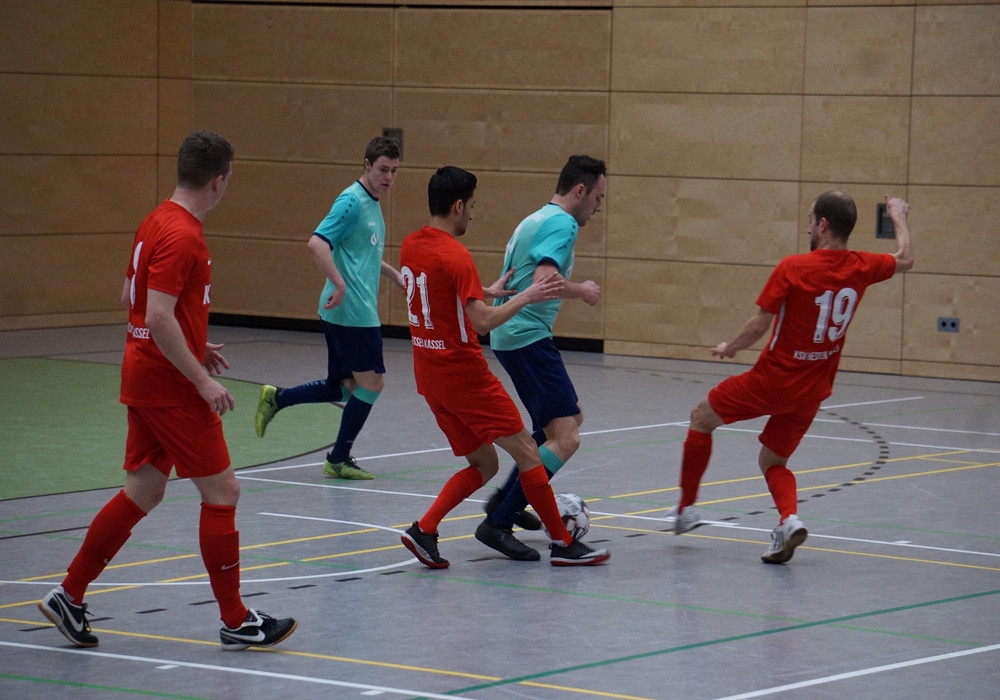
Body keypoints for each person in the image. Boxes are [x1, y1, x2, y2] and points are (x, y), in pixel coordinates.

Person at [37, 130, 297, 650]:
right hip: (170, 387)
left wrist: (193, 342)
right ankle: (236, 619)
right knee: (223, 492)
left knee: (144, 489)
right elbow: (157, 315)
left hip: (144, 374)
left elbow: (131, 299)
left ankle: (69, 594)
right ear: (218, 181)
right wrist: (200, 378)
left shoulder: (155, 221)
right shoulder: (185, 236)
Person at [669, 192, 913, 564]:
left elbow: (759, 325)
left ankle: (686, 509)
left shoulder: (794, 266)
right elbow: (906, 258)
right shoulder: (863, 265)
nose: (807, 227)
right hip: (812, 391)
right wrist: (897, 215)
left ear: (823, 225)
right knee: (773, 461)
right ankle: (788, 520)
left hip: (772, 381)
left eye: (810, 220)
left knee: (702, 418)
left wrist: (730, 347)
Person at [398, 166, 610, 567]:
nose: (473, 214)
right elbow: (482, 322)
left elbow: (438, 289)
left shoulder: (412, 244)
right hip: (465, 377)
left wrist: (483, 290)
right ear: (457, 206)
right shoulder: (456, 254)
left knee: (485, 464)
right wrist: (525, 296)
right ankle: (563, 543)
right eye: (472, 206)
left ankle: (423, 529)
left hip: (429, 376)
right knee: (529, 453)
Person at [476, 155, 607, 560]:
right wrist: (582, 290)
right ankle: (499, 521)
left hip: (513, 334)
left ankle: (506, 499)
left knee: (570, 418)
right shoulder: (563, 223)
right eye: (598, 198)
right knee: (566, 437)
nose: (599, 207)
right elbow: (543, 280)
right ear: (580, 191)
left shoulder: (536, 217)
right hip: (527, 335)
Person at [254, 136, 405, 480]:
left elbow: (361, 252)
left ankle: (277, 398)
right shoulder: (351, 201)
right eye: (383, 169)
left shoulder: (371, 202)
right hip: (353, 313)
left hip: (347, 312)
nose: (389, 177)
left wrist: (394, 274)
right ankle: (338, 458)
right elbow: (317, 243)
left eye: (394, 171)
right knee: (371, 384)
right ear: (366, 165)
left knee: (346, 387)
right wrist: (340, 284)